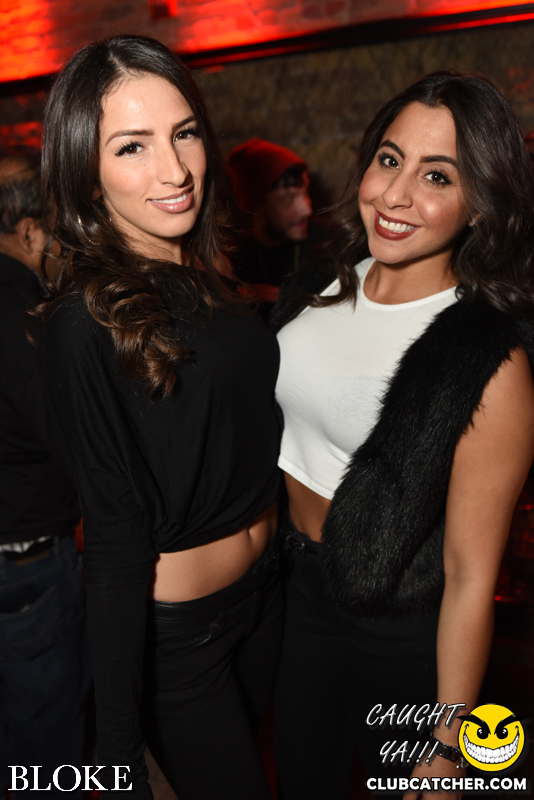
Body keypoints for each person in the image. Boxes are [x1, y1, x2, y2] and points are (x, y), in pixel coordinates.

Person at [271, 71, 534, 800]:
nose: (394, 194)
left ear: (480, 203)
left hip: (397, 623)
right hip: (294, 592)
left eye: (437, 176)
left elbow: (472, 574)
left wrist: (451, 745)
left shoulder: (487, 360)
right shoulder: (316, 290)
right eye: (390, 159)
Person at [37, 35, 282, 800]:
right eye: (132, 147)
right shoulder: (85, 322)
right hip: (184, 637)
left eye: (184, 133)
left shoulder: (210, 279)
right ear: (85, 171)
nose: (174, 171)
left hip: (269, 594)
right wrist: (117, 754)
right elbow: (112, 538)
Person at [0, 147, 88, 796]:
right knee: (45, 744)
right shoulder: (26, 315)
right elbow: (72, 440)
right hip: (24, 561)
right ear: (30, 233)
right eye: (58, 233)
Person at [227, 138, 325, 304]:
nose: (306, 210)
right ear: (256, 206)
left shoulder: (330, 243)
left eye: (305, 193)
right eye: (288, 199)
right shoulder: (235, 260)